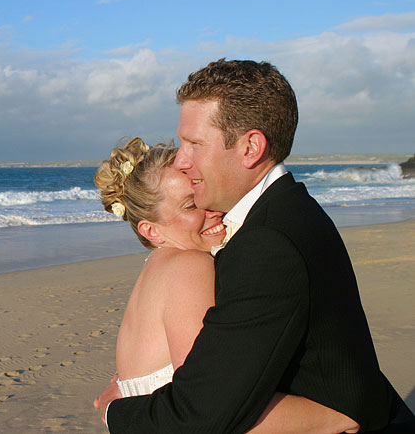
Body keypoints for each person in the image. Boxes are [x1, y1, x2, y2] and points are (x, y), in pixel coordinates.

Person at [96, 59, 415, 433]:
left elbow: (202, 411)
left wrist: (111, 412)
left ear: (250, 147)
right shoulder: (288, 211)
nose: (183, 159)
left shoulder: (266, 242)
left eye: (194, 143)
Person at [94, 137, 363, 433]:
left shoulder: (158, 270)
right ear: (151, 230)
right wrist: (338, 415)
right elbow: (209, 403)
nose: (209, 208)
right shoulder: (189, 267)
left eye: (201, 190)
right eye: (189, 205)